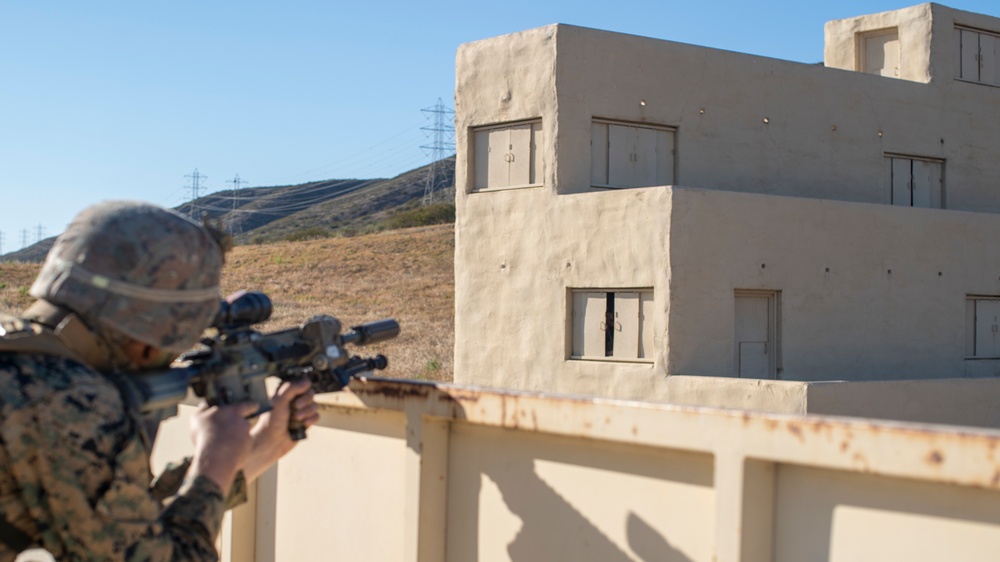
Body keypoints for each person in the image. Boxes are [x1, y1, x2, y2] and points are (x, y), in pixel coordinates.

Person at [0, 200, 319, 560]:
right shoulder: (68, 401)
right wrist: (214, 464)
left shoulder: (21, 359)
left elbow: (118, 520)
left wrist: (260, 446)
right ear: (151, 339)